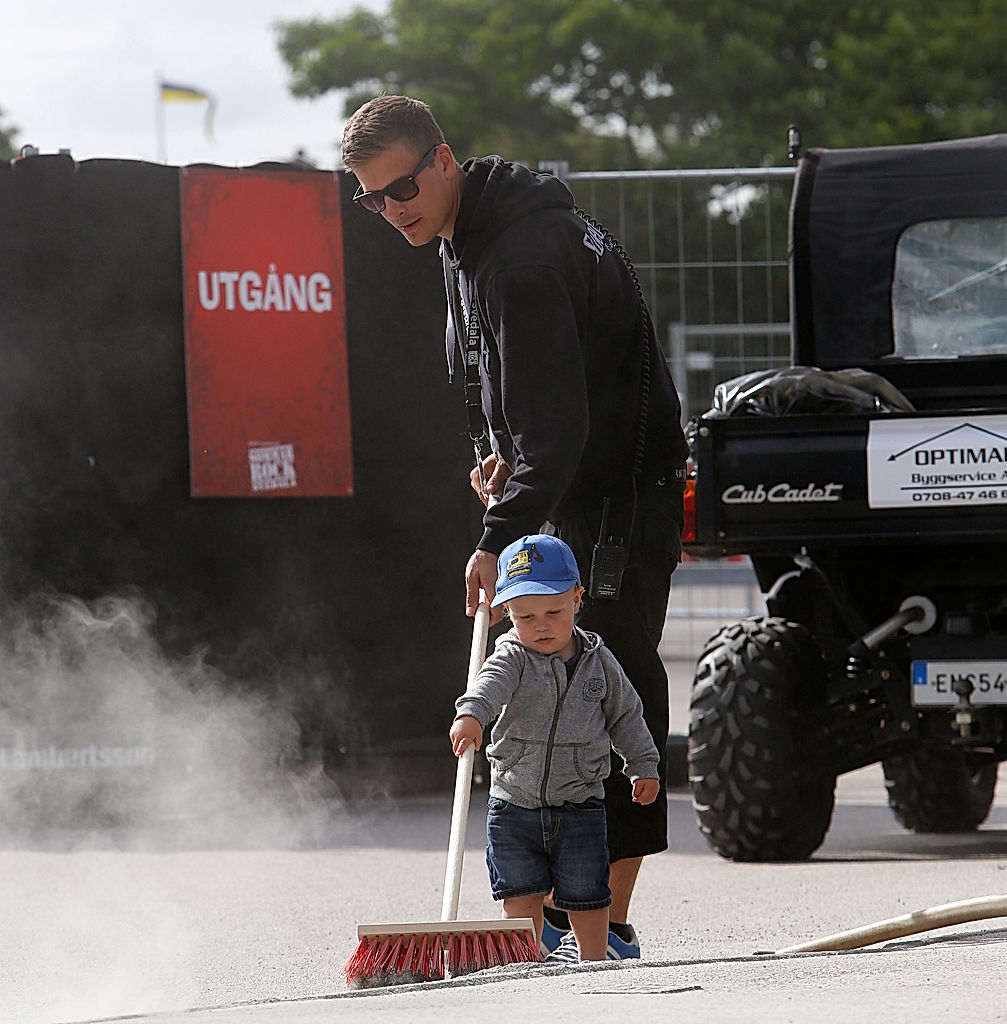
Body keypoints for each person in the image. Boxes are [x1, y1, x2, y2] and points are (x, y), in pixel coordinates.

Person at [340, 94, 689, 959]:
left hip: (615, 501)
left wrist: (496, 534)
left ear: (444, 158)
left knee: (604, 695)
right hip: (573, 487)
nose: (393, 210)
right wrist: (502, 451)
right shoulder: (467, 239)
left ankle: (601, 928)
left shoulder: (520, 258)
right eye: (373, 199)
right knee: (544, 699)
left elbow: (563, 430)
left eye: (404, 187)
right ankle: (575, 923)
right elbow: (524, 394)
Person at [449, 534, 660, 962]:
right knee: (519, 892)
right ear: (505, 612)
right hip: (514, 804)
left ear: (578, 599)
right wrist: (471, 714)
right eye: (525, 616)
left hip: (580, 802)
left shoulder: (599, 661)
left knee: (587, 892)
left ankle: (594, 958)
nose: (540, 625)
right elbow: (487, 686)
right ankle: (526, 960)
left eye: (553, 611)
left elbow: (627, 716)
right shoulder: (511, 656)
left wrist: (642, 763)